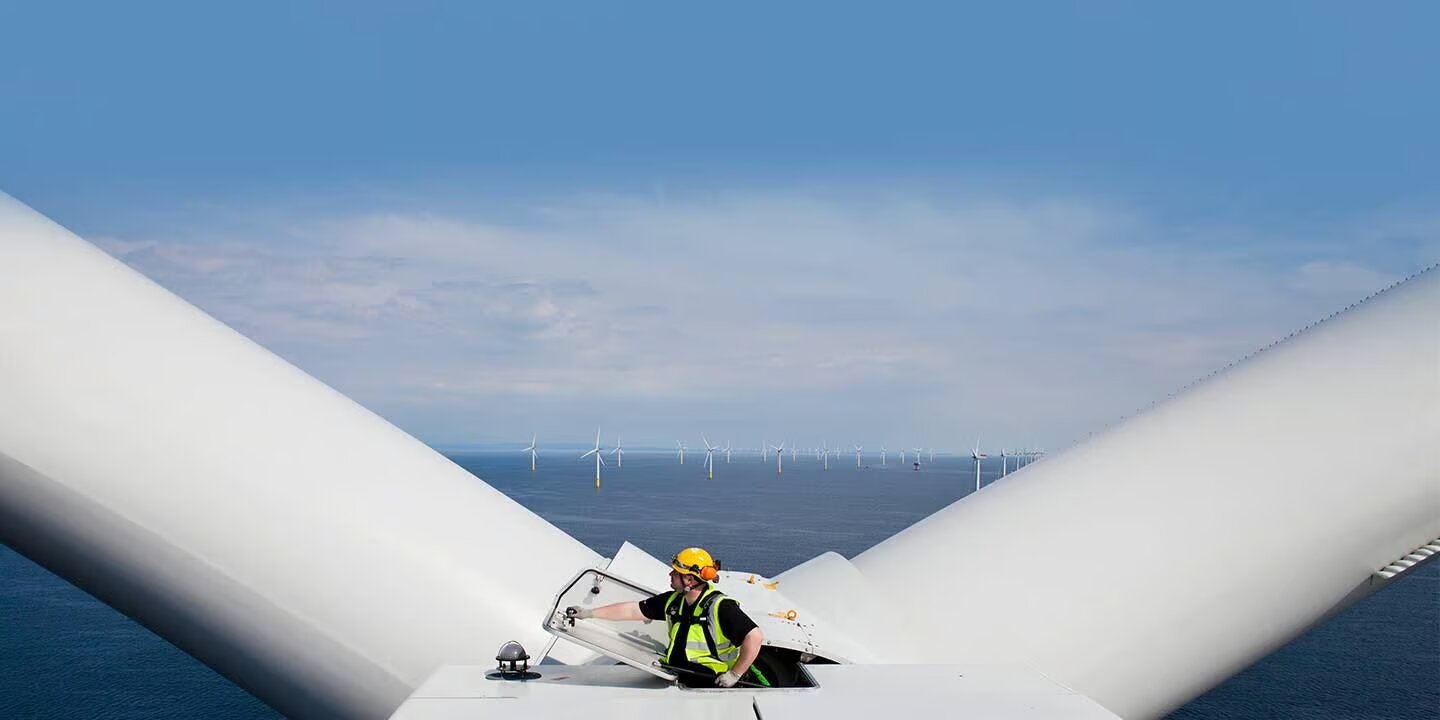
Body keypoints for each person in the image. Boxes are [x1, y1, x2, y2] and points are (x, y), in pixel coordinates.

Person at [566, 547, 767, 688]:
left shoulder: (721, 607)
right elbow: (632, 610)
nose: (670, 574)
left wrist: (734, 674)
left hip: (714, 685)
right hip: (682, 679)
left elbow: (755, 637)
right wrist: (589, 613)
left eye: (676, 572)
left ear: (690, 579)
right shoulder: (674, 601)